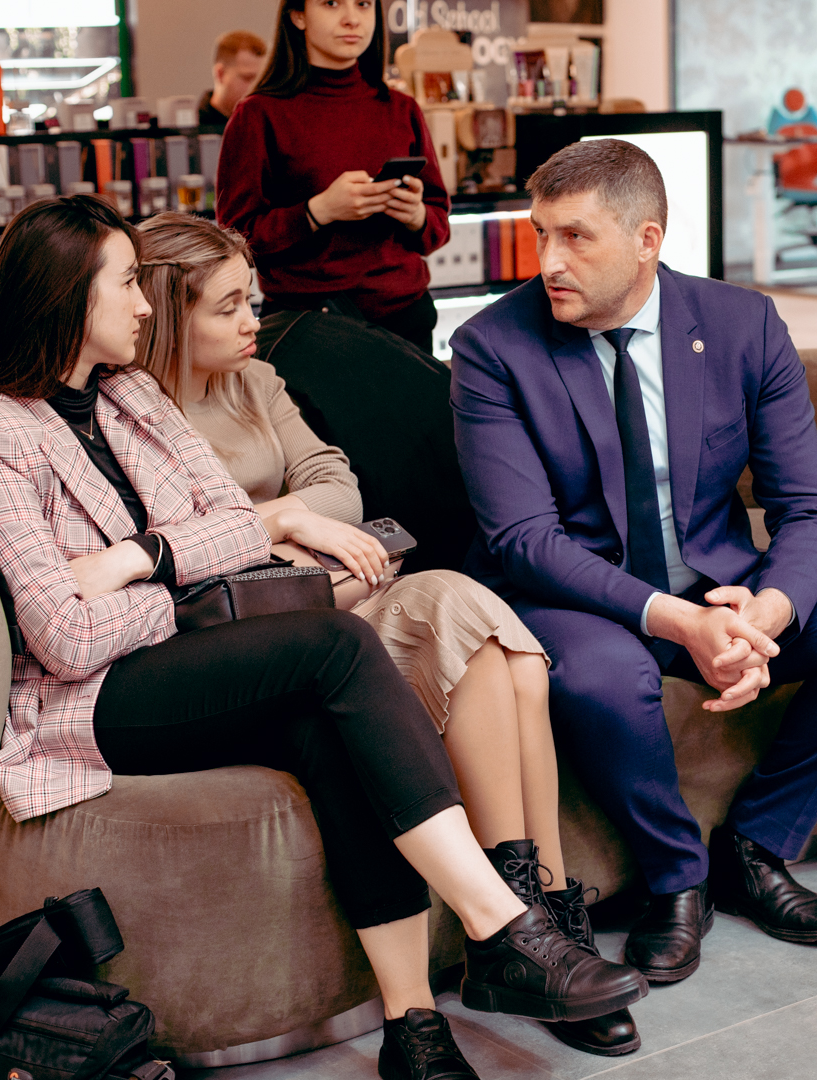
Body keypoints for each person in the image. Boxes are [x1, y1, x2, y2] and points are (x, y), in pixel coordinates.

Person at [0, 195, 646, 1080]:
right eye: (125, 283)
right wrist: (192, 594)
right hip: (96, 700)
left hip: (184, 661)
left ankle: (414, 1027)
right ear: (68, 296)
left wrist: (144, 558)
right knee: (335, 644)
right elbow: (67, 637)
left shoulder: (132, 396)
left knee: (329, 733)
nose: (144, 304)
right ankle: (502, 926)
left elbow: (239, 527)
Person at [130, 210, 641, 1057]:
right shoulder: (132, 420)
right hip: (259, 633)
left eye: (250, 298)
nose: (254, 319)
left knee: (495, 640)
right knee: (493, 649)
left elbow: (339, 485)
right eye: (228, 307)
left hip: (330, 597)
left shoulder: (254, 381)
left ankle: (535, 914)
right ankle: (532, 926)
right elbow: (178, 554)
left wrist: (295, 524)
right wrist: (283, 526)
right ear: (168, 317)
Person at [450, 139, 817, 984]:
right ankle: (678, 877)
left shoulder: (742, 325)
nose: (549, 261)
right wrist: (681, 622)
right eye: (541, 235)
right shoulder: (494, 348)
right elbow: (524, 539)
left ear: (648, 240)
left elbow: (809, 506)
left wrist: (767, 612)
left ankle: (755, 846)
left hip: (718, 585)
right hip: (577, 599)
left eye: (575, 237)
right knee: (604, 676)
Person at [216, 0, 449, 351]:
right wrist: (318, 211)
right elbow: (236, 239)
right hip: (308, 329)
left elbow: (438, 225)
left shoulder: (402, 109)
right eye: (331, 3)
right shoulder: (258, 114)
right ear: (298, 15)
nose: (351, 18)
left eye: (363, 4)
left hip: (405, 320)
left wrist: (416, 215)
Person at [198, 30, 267, 129]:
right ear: (220, 74)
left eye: (261, 80)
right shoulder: (189, 130)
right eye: (247, 78)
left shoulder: (265, 125)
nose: (257, 88)